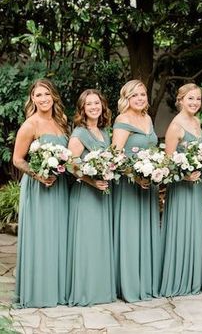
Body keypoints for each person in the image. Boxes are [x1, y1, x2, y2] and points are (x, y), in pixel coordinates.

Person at [12, 79, 70, 308]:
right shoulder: (30, 125)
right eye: (38, 95)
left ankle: (59, 289)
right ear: (32, 99)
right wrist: (38, 175)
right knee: (42, 238)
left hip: (61, 186)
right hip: (39, 188)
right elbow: (18, 159)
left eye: (47, 94)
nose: (43, 99)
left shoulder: (62, 121)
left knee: (59, 236)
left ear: (53, 96)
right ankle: (39, 292)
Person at [111, 79, 162, 302]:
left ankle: (146, 281)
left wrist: (154, 170)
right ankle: (129, 284)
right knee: (130, 232)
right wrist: (134, 175)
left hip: (148, 184)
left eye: (143, 94)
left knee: (146, 231)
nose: (140, 98)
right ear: (127, 99)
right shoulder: (122, 120)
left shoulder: (147, 118)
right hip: (130, 185)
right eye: (135, 95)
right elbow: (115, 154)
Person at [67, 89, 116, 306]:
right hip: (86, 193)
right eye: (89, 104)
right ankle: (85, 291)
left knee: (100, 241)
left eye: (97, 103)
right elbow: (70, 164)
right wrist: (91, 181)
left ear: (102, 106)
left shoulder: (104, 132)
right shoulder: (79, 133)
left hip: (103, 193)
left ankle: (100, 290)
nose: (94, 107)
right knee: (87, 242)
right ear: (82, 109)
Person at [160, 83, 202, 297]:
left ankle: (192, 279)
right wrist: (185, 175)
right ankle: (178, 279)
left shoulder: (196, 122)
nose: (195, 102)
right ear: (180, 101)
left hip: (196, 185)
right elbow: (168, 162)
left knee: (194, 228)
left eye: (197, 99)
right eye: (190, 99)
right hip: (181, 186)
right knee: (181, 228)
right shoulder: (175, 126)